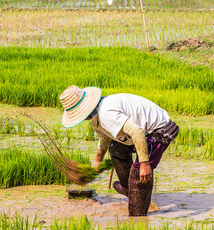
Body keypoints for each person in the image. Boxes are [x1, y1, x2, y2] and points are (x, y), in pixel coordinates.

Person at [59, 85, 179, 216]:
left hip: (160, 130)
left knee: (139, 174)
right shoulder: (96, 118)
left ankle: (137, 215)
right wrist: (98, 159)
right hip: (143, 132)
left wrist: (145, 164)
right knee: (116, 149)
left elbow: (137, 132)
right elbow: (105, 136)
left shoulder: (106, 113)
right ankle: (129, 189)